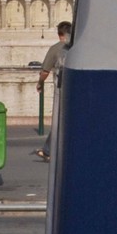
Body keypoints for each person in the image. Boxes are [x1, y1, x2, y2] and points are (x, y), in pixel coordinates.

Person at [35, 20, 71, 159]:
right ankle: (49, 150)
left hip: (61, 90)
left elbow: (45, 71)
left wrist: (40, 83)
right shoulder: (75, 47)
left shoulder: (56, 49)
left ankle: (49, 151)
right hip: (76, 89)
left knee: (58, 120)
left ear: (59, 34)